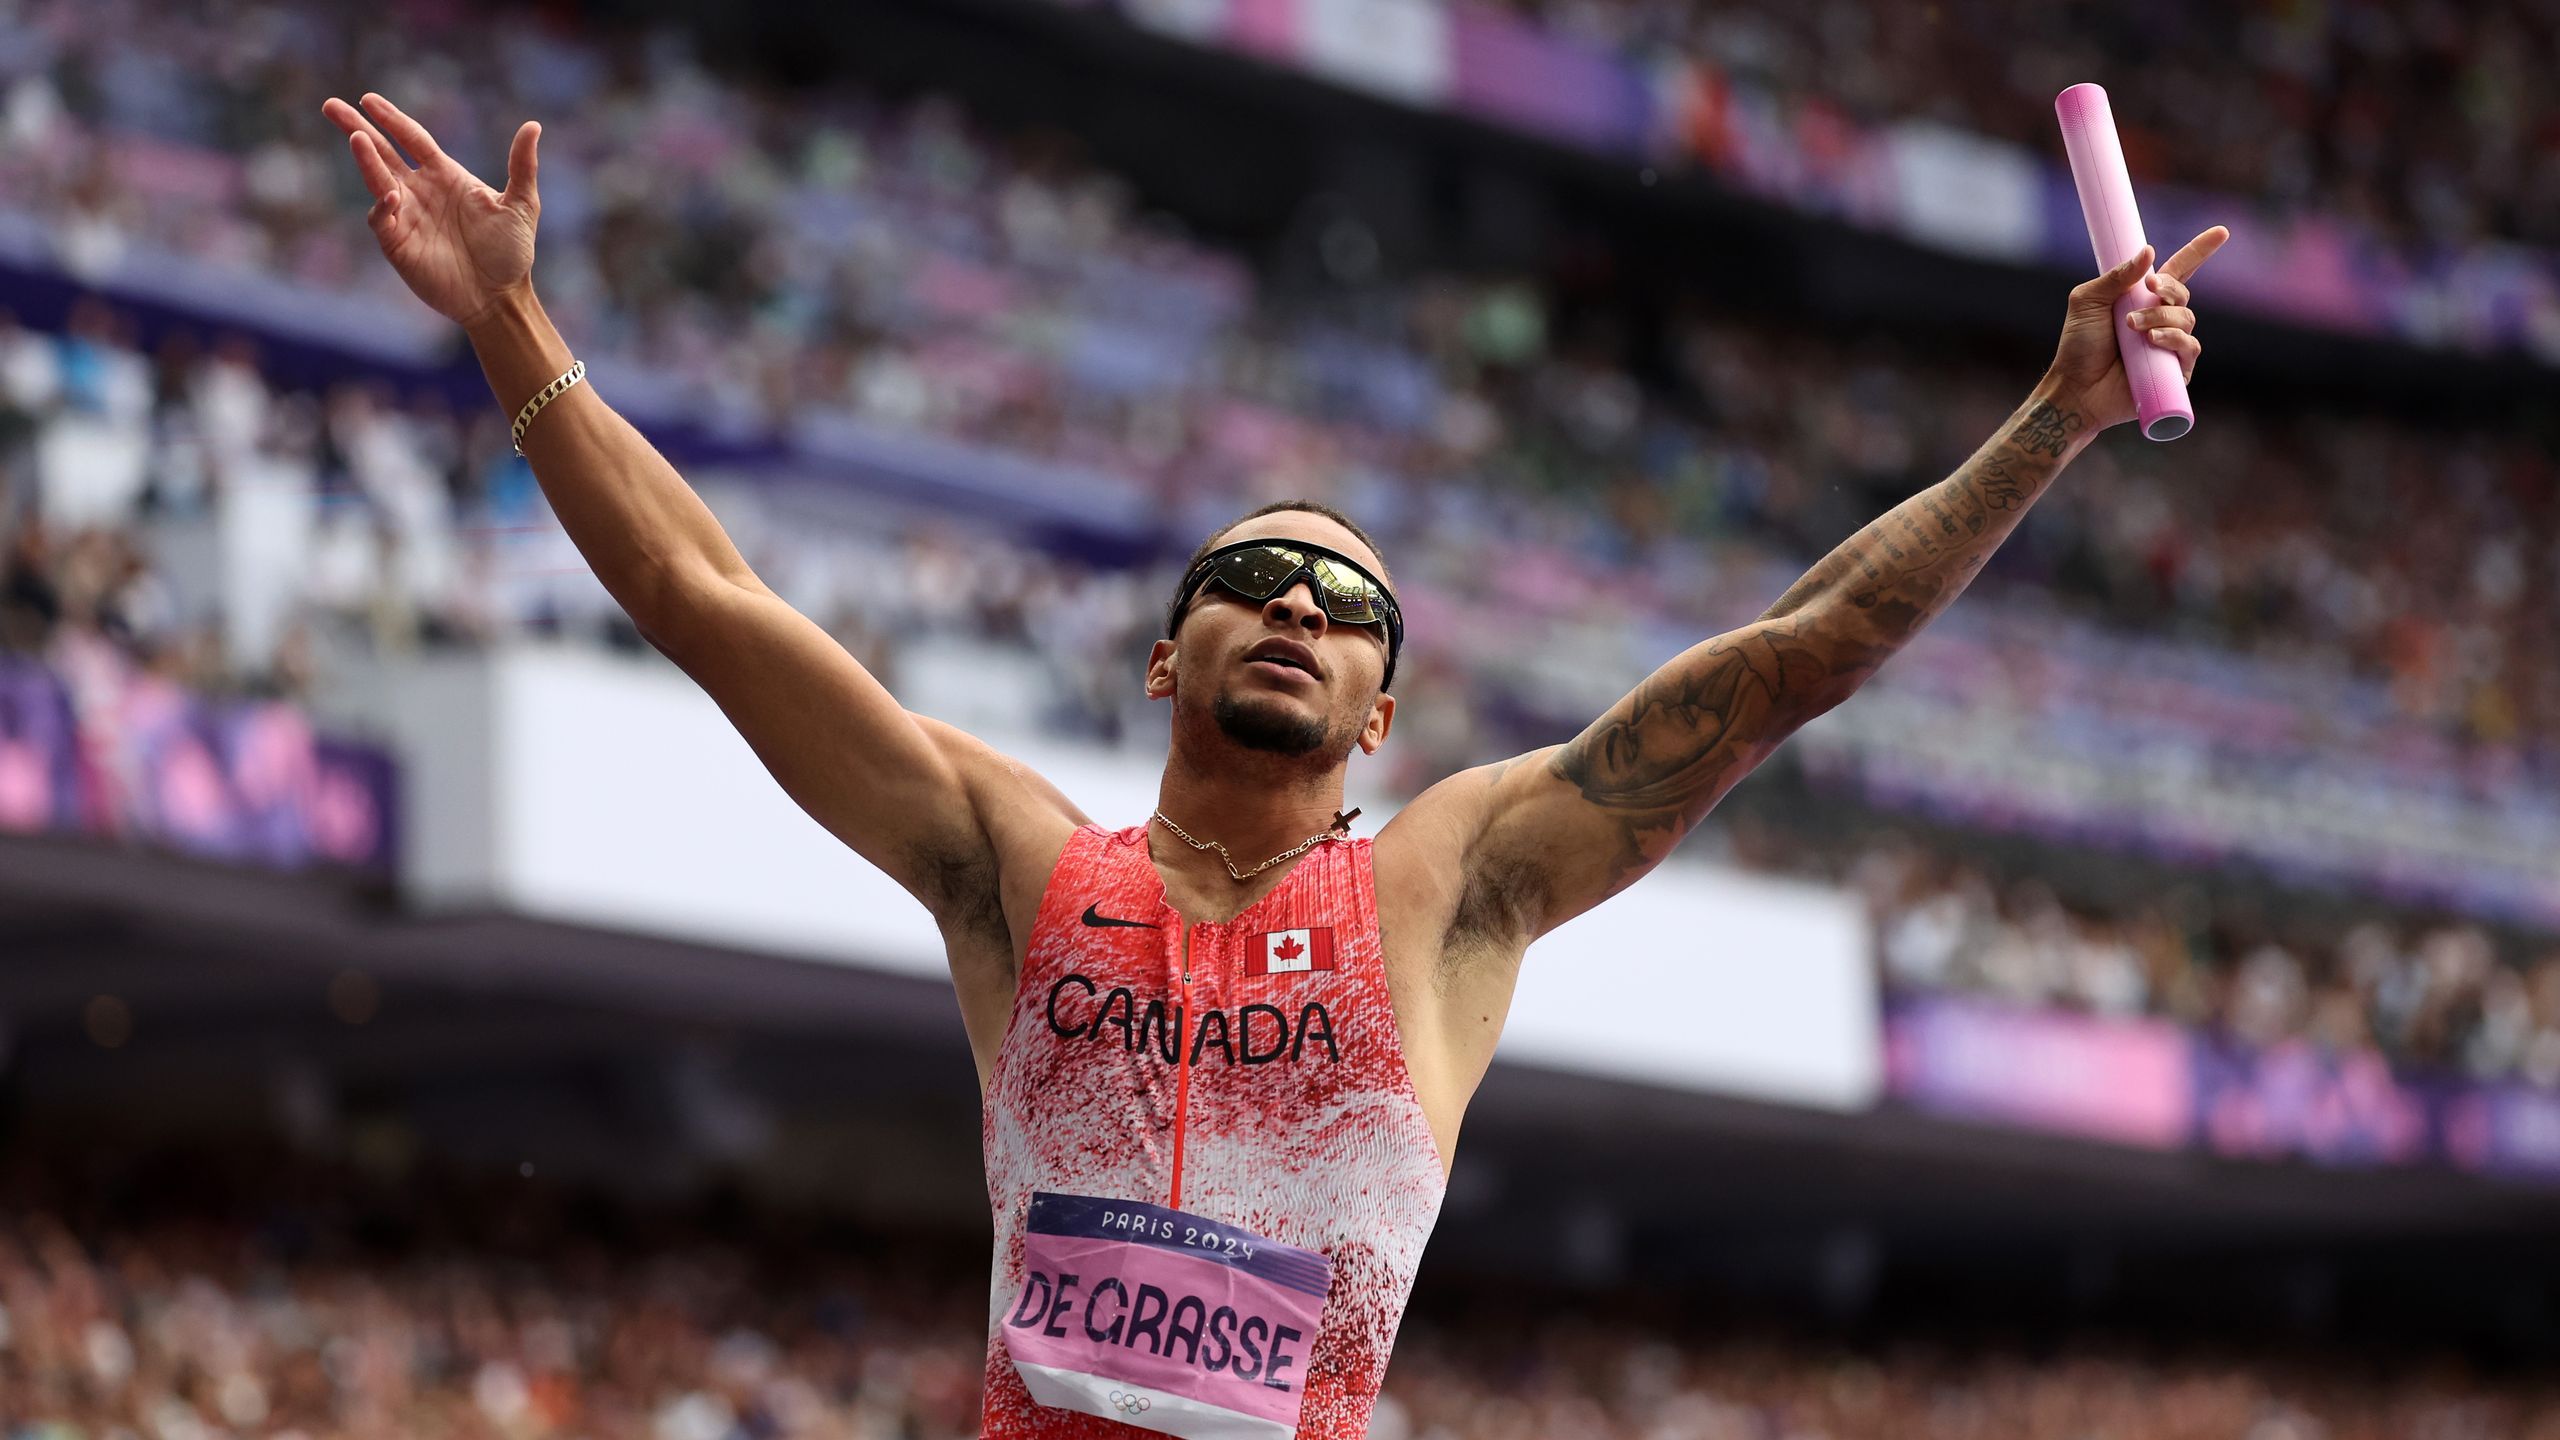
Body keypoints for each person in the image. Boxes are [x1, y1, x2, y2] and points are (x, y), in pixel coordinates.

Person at [322, 92, 2222, 1440]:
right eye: (1251, 578)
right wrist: (511, 319)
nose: (1299, 606)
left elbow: (1789, 662)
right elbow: (701, 591)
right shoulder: (1014, 864)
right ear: (1170, 651)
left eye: (1347, 603)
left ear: (1381, 713)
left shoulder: (1448, 886)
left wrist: (2048, 423)